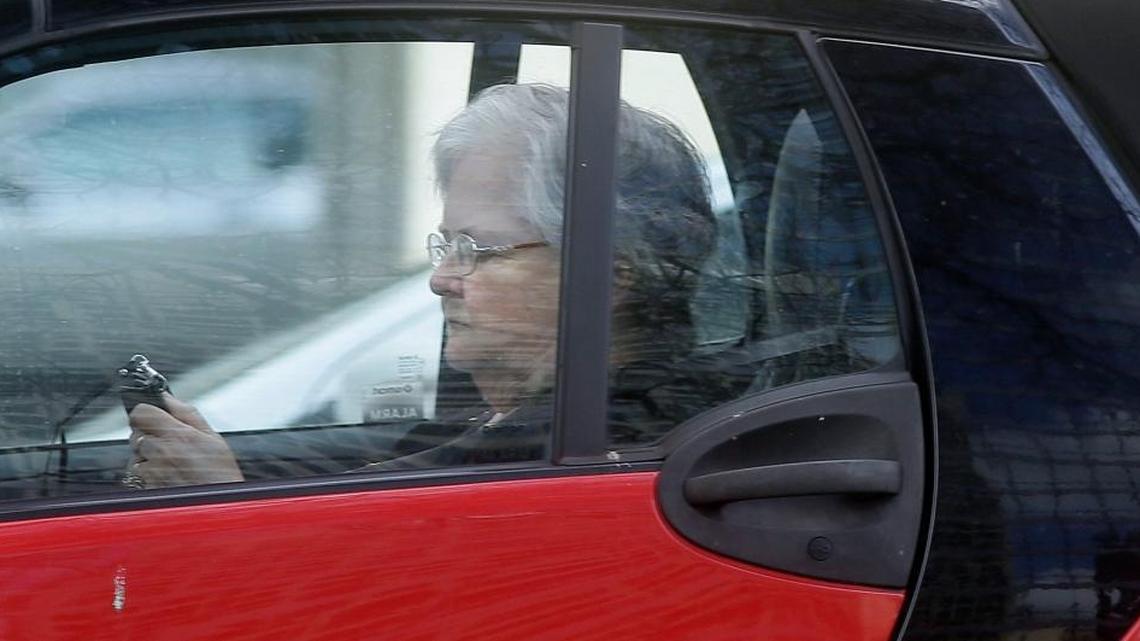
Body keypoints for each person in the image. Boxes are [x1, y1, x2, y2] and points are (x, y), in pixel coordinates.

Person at [126, 83, 723, 488]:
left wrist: (224, 499)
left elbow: (377, 588)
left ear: (603, 278)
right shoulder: (512, 422)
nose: (441, 280)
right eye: (446, 247)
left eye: (478, 252)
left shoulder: (581, 453)